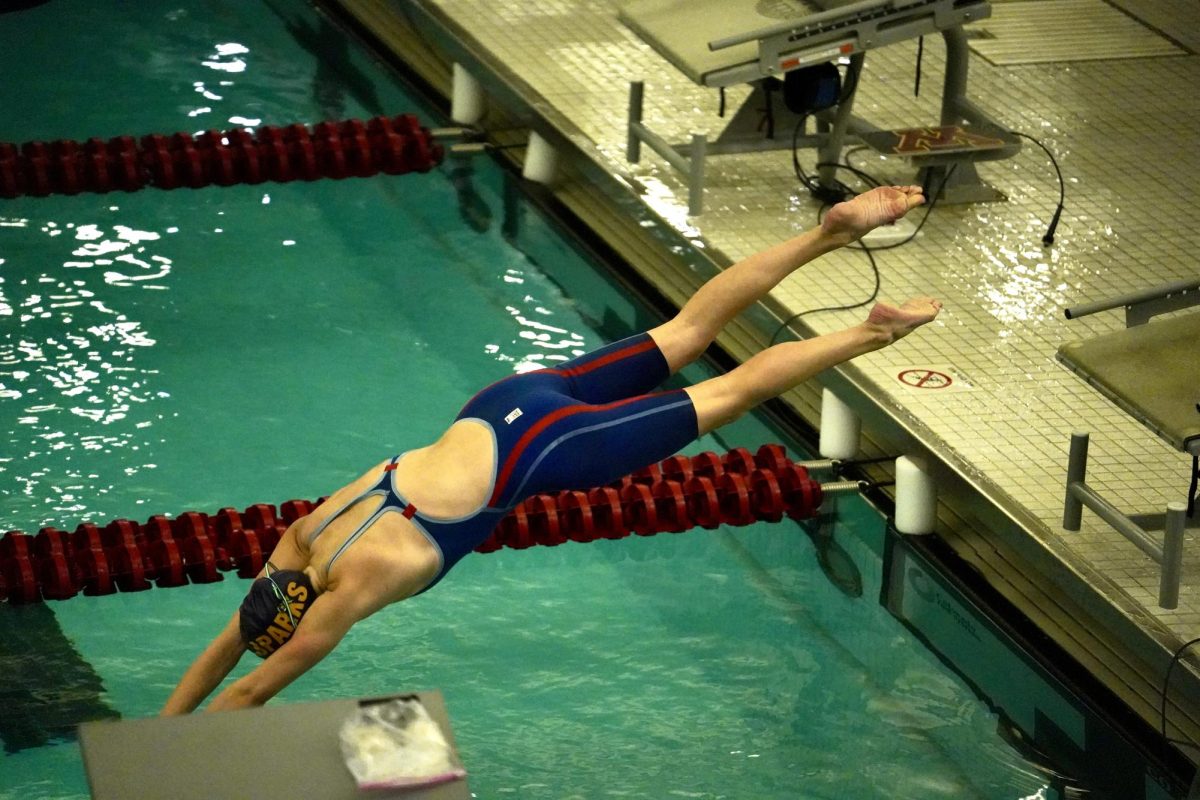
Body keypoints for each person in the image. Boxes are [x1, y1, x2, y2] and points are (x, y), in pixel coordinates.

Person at [160, 185, 940, 715]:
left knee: (728, 393)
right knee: (686, 332)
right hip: (501, 407)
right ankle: (826, 233)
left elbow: (250, 690)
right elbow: (231, 643)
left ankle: (871, 332)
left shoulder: (353, 590)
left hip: (542, 448)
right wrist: (165, 723)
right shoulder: (301, 538)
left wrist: (157, 769)